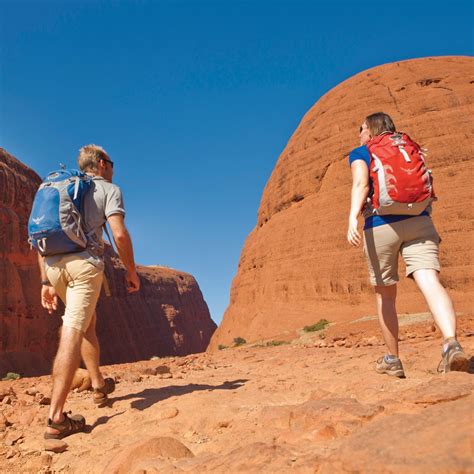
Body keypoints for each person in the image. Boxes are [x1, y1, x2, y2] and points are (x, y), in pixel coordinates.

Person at [347, 112, 469, 378]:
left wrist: (352, 218)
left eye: (361, 128)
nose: (359, 133)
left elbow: (361, 183)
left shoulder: (362, 151)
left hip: (380, 225)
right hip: (420, 221)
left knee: (386, 295)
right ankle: (450, 343)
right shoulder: (409, 146)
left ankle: (393, 359)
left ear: (369, 129)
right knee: (430, 282)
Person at [38, 144, 140, 439]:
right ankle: (56, 418)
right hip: (84, 266)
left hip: (55, 265)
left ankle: (98, 385)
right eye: (111, 160)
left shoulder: (61, 187)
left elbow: (42, 232)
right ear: (101, 163)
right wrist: (131, 272)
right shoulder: (108, 188)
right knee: (73, 326)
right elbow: (119, 233)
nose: (113, 166)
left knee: (87, 322)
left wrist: (46, 280)